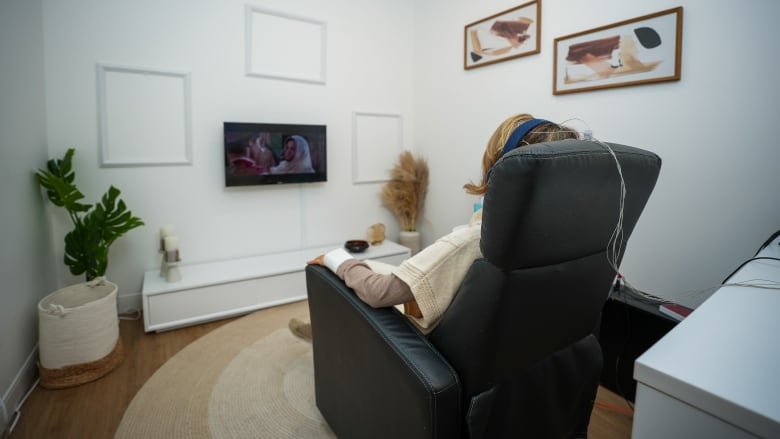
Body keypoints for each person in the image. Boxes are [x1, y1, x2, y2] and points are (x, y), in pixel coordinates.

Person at [290, 114, 580, 341]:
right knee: (376, 266)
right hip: (499, 344)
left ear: (500, 171)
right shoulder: (569, 237)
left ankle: (327, 333)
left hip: (424, 342)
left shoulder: (476, 240)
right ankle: (322, 329)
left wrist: (336, 259)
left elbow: (380, 293)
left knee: (345, 273)